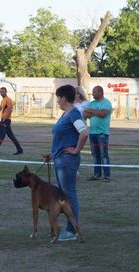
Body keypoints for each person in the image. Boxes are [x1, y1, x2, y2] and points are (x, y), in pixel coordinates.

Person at [47, 85, 88, 241]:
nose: (57, 101)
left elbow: (84, 133)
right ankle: (71, 229)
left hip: (67, 161)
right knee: (64, 195)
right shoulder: (65, 115)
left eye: (58, 97)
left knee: (69, 196)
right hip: (59, 159)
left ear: (64, 98)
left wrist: (76, 150)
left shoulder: (74, 114)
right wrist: (52, 154)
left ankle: (72, 231)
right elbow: (61, 138)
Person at [84, 86, 112, 182]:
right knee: (95, 154)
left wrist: (92, 111)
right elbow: (85, 114)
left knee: (104, 154)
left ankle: (107, 176)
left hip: (102, 133)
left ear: (100, 92)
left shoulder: (106, 103)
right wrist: (96, 112)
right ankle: (97, 174)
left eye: (94, 92)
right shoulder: (91, 103)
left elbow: (103, 114)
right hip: (92, 133)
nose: (92, 93)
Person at [0, 87, 23, 156]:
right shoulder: (3, 100)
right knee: (11, 136)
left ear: (6, 92)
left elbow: (10, 110)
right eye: (0, 91)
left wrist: (4, 120)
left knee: (0, 136)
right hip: (4, 120)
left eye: (3, 91)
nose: (1, 93)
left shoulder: (8, 100)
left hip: (5, 121)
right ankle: (20, 150)